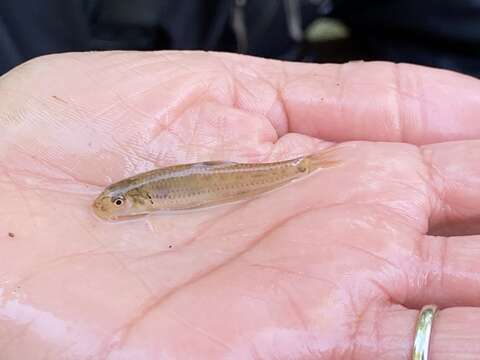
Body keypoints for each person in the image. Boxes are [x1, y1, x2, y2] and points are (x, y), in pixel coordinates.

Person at [1, 50, 480, 359]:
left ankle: (305, 166)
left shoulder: (148, 192)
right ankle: (306, 166)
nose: (114, 205)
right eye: (116, 201)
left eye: (120, 201)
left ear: (138, 200)